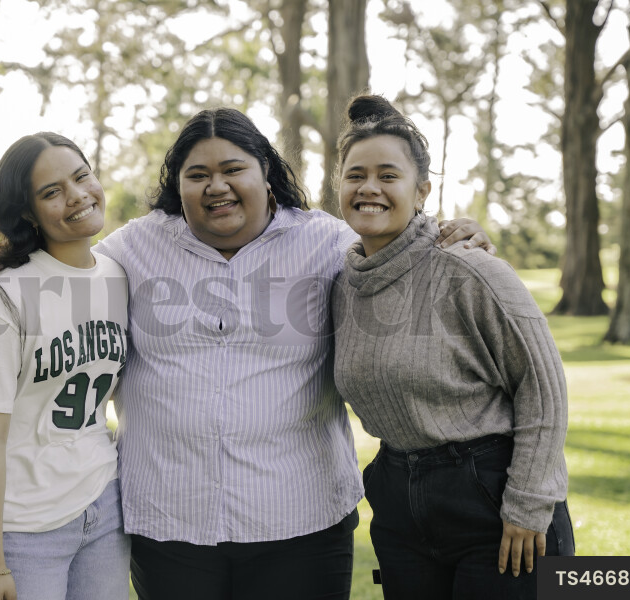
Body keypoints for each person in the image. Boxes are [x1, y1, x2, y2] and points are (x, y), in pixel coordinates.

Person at [92, 107, 493, 599]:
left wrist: (454, 231)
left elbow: (399, 243)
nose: (216, 186)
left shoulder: (326, 242)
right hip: (169, 521)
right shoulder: (131, 250)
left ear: (266, 172)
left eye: (233, 169)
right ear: (178, 186)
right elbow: (64, 269)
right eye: (197, 175)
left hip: (304, 519)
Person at [331, 94, 575, 600]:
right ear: (339, 184)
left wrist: (529, 505)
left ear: (421, 190)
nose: (368, 187)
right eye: (355, 175)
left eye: (387, 175)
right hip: (399, 502)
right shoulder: (341, 283)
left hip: (491, 492)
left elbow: (543, 386)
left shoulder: (469, 267)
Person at [0, 132, 131, 600]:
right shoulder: (7, 296)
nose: (77, 196)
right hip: (22, 525)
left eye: (81, 177)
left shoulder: (118, 276)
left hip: (103, 505)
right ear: (27, 214)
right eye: (51, 192)